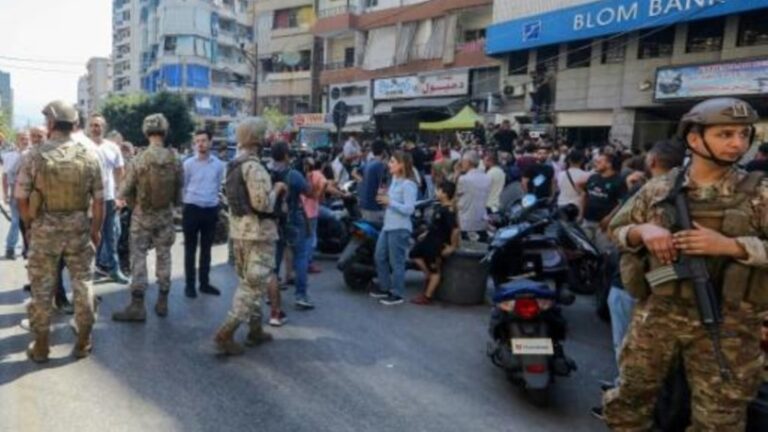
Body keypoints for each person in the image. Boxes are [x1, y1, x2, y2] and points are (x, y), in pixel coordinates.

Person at [602, 98, 768, 430]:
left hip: (729, 324)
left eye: (744, 134)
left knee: (719, 417)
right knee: (630, 400)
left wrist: (731, 246)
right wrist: (642, 231)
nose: (738, 143)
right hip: (658, 314)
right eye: (725, 134)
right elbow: (615, 230)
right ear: (695, 139)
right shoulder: (660, 187)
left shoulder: (759, 193)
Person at [590, 139, 685, 419]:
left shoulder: (645, 192)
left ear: (653, 162)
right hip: (670, 289)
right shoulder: (688, 193)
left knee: (629, 346)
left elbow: (613, 229)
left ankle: (626, 396)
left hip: (635, 284)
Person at [16, 100, 104, 362]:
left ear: (51, 123)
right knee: (83, 284)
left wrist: (31, 225)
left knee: (42, 288)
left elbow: (21, 197)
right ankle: (83, 341)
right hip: (78, 229)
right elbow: (99, 201)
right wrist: (95, 230)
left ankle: (42, 346)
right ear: (74, 125)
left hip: (45, 229)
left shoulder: (35, 155)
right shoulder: (89, 155)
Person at [213, 119, 281, 356]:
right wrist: (278, 190)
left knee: (249, 281)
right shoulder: (255, 167)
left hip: (239, 232)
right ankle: (226, 332)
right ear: (258, 138)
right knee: (253, 286)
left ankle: (255, 330)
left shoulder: (233, 165)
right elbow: (262, 202)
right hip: (259, 234)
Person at [112, 114, 182, 322]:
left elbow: (123, 190)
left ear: (145, 131)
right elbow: (179, 193)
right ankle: (162, 300)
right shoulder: (175, 159)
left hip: (142, 216)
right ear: (165, 131)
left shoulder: (139, 159)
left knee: (138, 257)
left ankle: (137, 305)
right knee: (164, 255)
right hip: (165, 216)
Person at [369, 151, 418, 306]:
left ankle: (397, 293)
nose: (389, 164)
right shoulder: (394, 181)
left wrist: (390, 202)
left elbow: (409, 209)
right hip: (388, 225)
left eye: (392, 161)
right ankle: (385, 287)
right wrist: (384, 199)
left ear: (402, 165)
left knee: (396, 262)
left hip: (400, 227)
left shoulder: (408, 184)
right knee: (379, 256)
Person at [271, 142, 314, 310]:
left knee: (275, 259)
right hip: (293, 220)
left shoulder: (268, 172)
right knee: (301, 257)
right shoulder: (293, 174)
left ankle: (271, 294)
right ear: (287, 155)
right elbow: (309, 192)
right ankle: (301, 296)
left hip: (274, 221)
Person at [182, 130, 225, 298]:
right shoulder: (188, 164)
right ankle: (190, 285)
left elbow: (218, 185)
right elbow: (184, 186)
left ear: (210, 142)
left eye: (204, 140)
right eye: (197, 141)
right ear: (194, 144)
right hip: (192, 208)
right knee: (190, 249)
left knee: (207, 249)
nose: (200, 144)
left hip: (210, 210)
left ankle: (204, 284)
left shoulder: (218, 165)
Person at [89, 114, 129, 284]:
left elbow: (120, 173)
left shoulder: (112, 147)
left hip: (108, 199)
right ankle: (85, 271)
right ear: (88, 127)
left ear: (104, 127)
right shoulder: (82, 146)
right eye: (92, 125)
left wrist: (121, 196)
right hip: (87, 200)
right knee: (84, 237)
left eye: (98, 125)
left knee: (111, 235)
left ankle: (113, 269)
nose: (95, 128)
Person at [410, 181, 460, 305]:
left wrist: (453, 246)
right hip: (429, 239)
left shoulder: (448, 211)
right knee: (414, 254)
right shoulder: (440, 207)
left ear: (444, 193)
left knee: (435, 271)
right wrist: (425, 233)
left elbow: (455, 229)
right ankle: (428, 276)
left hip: (438, 244)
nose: (436, 192)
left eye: (438, 190)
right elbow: (435, 225)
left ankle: (427, 296)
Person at [581, 152, 626, 252]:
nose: (595, 164)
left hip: (603, 225)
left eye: (599, 162)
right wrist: (581, 215)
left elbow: (622, 203)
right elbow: (585, 195)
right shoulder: (593, 177)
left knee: (603, 251)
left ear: (609, 164)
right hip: (587, 221)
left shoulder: (619, 181)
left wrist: (609, 218)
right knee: (586, 250)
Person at [2, 130, 29, 259]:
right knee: (15, 221)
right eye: (22, 138)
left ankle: (27, 247)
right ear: (17, 140)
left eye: (26, 138)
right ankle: (10, 247)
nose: (25, 141)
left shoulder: (32, 155)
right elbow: (6, 176)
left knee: (28, 222)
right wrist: (5, 194)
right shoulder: (9, 156)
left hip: (30, 195)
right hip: (15, 193)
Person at [456, 150, 491, 241]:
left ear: (468, 162)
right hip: (481, 219)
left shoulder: (464, 179)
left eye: (462, 162)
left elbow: (453, 194)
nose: (461, 164)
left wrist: (457, 173)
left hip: (466, 221)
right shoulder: (487, 177)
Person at [355, 139, 387, 223]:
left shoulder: (368, 163)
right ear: (384, 151)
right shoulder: (380, 165)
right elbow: (382, 188)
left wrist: (363, 181)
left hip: (364, 205)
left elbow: (354, 172)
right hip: (374, 208)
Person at [556, 149, 590, 214]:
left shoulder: (561, 174)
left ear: (569, 160)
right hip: (577, 206)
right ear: (582, 161)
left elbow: (559, 188)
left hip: (561, 203)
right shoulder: (587, 175)